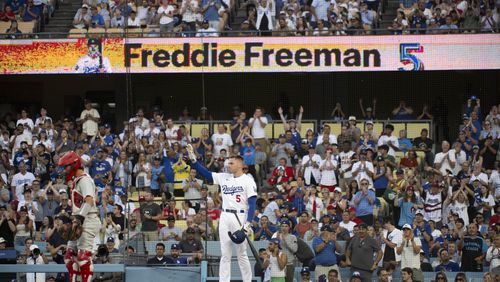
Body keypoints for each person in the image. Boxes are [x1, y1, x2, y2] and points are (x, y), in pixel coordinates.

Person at [187, 144, 257, 282]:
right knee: (225, 254)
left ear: (240, 164)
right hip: (225, 215)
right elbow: (205, 173)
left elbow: (253, 203)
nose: (228, 165)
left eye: (231, 162)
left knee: (242, 254)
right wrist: (193, 159)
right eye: (228, 162)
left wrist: (247, 225)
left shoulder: (248, 180)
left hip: (240, 216)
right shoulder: (224, 177)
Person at [58, 151, 101, 282]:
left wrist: (79, 218)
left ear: (75, 164)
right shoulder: (77, 181)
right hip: (79, 220)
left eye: (67, 166)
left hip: (88, 220)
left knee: (83, 258)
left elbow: (89, 200)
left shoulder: (85, 180)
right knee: (69, 257)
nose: (65, 169)